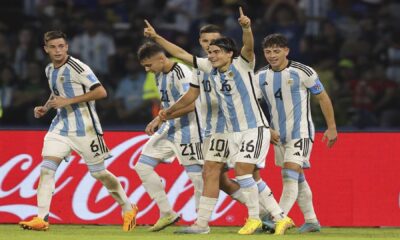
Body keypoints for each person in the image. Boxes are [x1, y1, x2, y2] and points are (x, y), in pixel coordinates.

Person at [149, 7, 294, 235]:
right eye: (207, 46)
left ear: (227, 52)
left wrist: (246, 28)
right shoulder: (206, 67)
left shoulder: (242, 63)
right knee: (223, 173)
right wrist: (157, 38)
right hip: (225, 130)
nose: (210, 51)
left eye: (215, 47)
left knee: (243, 174)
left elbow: (248, 46)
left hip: (245, 128)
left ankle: (263, 217)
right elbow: (182, 57)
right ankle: (269, 217)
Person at [18, 31, 137, 232]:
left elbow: (101, 92)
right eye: (53, 47)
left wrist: (68, 101)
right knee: (46, 169)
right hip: (60, 127)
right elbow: (57, 93)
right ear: (46, 49)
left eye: (61, 46)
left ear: (67, 47)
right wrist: (46, 107)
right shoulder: (49, 69)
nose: (58, 50)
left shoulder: (78, 67)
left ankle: (128, 207)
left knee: (99, 173)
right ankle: (41, 218)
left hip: (86, 129)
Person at [255, 33, 338, 233]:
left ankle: (278, 218)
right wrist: (267, 128)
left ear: (286, 51)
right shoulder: (260, 76)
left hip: (300, 133)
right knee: (297, 177)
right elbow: (252, 106)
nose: (272, 55)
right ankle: (311, 221)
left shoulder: (303, 71)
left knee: (289, 174)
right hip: (277, 136)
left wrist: (332, 127)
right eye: (268, 51)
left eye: (276, 51)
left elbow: (323, 98)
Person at [135, 42, 204, 232]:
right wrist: (159, 119)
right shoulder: (159, 75)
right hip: (170, 129)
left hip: (190, 130)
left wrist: (160, 119)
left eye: (149, 65)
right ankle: (167, 213)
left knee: (198, 178)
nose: (148, 70)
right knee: (142, 165)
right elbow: (167, 106)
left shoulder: (182, 73)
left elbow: (192, 105)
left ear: (161, 58)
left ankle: (201, 222)